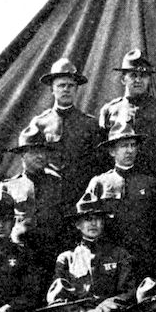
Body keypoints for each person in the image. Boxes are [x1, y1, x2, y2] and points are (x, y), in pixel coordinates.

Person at [53, 191, 135, 312]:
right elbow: (58, 296)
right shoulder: (67, 259)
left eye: (97, 219)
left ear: (103, 222)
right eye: (87, 219)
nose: (93, 224)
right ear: (78, 224)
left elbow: (128, 293)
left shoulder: (119, 255)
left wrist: (100, 311)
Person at [84, 120, 156, 275]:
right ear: (112, 151)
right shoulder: (100, 183)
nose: (130, 151)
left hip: (144, 257)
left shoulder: (149, 183)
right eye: (124, 146)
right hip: (110, 258)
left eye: (133, 145)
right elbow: (86, 220)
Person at [28, 57, 103, 204]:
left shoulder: (90, 124)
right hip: (48, 197)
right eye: (61, 85)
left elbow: (100, 164)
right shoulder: (39, 123)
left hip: (81, 195)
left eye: (70, 86)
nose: (66, 89)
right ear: (52, 89)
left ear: (76, 89)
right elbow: (32, 164)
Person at [0, 120, 69, 272]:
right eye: (34, 152)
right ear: (22, 155)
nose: (40, 156)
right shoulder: (9, 186)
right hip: (20, 252)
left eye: (43, 152)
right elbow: (2, 223)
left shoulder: (57, 183)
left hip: (51, 252)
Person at [97, 49, 156, 181]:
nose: (138, 80)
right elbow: (103, 155)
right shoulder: (110, 110)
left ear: (149, 79)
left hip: (155, 181)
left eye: (143, 76)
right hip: (120, 182)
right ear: (123, 79)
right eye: (133, 75)